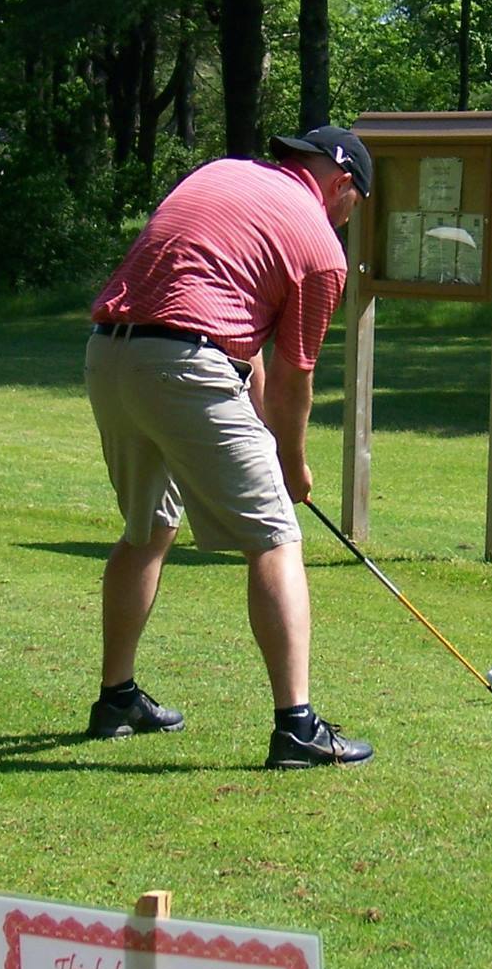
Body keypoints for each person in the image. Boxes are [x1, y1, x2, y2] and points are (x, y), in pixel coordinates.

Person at [84, 125, 376, 769]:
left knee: (147, 528)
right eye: (355, 202)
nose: (350, 216)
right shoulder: (320, 246)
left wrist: (266, 439)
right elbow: (295, 378)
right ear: (342, 184)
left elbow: (242, 336)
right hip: (185, 365)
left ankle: (116, 699)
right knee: (275, 537)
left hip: (110, 356)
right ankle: (297, 728)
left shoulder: (221, 174)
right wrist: (292, 464)